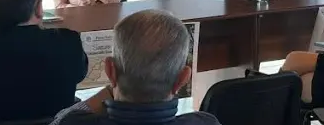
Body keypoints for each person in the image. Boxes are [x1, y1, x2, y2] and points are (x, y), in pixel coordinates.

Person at [51, 9, 220, 124]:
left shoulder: (73, 122)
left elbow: (60, 119)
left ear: (110, 71)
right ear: (183, 79)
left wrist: (113, 85)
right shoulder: (205, 122)